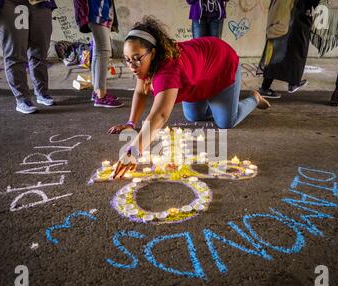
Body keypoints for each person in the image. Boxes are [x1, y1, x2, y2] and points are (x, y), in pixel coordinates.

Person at [107, 17, 270, 179]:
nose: (132, 65)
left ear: (153, 52)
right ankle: (217, 102)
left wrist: (134, 151)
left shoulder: (167, 71)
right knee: (194, 116)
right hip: (199, 77)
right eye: (127, 60)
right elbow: (141, 92)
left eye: (136, 58)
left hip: (221, 63)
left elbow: (160, 115)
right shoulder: (145, 63)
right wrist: (130, 124)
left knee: (226, 122)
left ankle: (254, 98)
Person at [0, 0, 57, 114]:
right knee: (15, 53)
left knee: (40, 51)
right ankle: (22, 99)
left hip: (41, 3)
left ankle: (42, 93)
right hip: (10, 3)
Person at [257, 0, 320, 99]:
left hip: (286, 14)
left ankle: (269, 87)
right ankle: (292, 83)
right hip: (294, 15)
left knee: (279, 50)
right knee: (296, 50)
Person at [74, 0, 123, 108]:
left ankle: (97, 92)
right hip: (97, 13)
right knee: (104, 52)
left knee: (98, 52)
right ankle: (101, 95)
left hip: (101, 13)